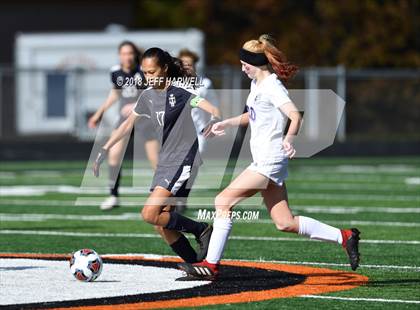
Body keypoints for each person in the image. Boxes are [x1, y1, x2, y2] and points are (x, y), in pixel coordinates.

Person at [178, 34, 361, 279]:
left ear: (258, 63)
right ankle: (345, 236)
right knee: (284, 222)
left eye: (246, 64)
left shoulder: (272, 86)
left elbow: (295, 116)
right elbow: (252, 115)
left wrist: (289, 138)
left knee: (222, 201)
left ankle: (210, 265)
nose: (242, 68)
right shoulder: (257, 84)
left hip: (269, 160)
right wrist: (228, 123)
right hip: (264, 160)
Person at [93, 47, 222, 263]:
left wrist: (214, 120)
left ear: (164, 69)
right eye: (144, 72)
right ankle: (195, 263)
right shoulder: (147, 96)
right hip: (166, 161)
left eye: (152, 72)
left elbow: (211, 109)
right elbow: (126, 125)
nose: (148, 77)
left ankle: (202, 230)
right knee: (159, 223)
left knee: (149, 214)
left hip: (183, 159)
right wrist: (105, 148)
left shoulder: (180, 92)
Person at [88, 41, 159, 211]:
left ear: (135, 55)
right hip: (124, 120)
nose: (127, 57)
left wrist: (136, 105)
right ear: (119, 55)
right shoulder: (115, 72)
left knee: (155, 161)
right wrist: (99, 114)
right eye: (124, 53)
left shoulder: (143, 71)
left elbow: (153, 93)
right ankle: (113, 196)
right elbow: (114, 94)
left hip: (144, 118)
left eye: (130, 53)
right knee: (114, 156)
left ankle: (166, 198)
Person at [178, 49, 220, 154]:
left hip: (198, 131)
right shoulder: (172, 84)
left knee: (194, 158)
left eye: (190, 64)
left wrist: (213, 121)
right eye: (183, 65)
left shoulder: (205, 84)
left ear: (195, 66)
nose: (186, 67)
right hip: (178, 132)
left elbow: (214, 106)